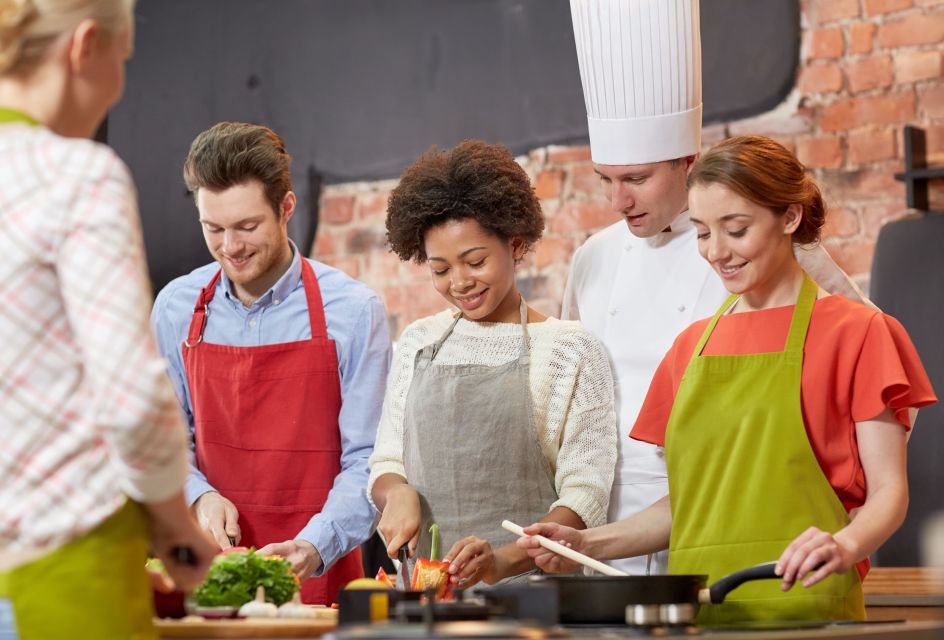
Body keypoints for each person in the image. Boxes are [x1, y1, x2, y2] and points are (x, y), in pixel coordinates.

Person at [519, 135, 937, 623]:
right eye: (701, 233)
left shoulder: (859, 333)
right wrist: (587, 543)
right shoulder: (690, 347)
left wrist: (844, 545)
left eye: (735, 229)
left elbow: (890, 492)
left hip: (807, 603)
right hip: (701, 610)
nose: (717, 252)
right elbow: (689, 505)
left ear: (790, 217)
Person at [562, 0, 869, 575]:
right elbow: (580, 399)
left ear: (687, 161)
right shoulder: (593, 258)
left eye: (636, 179)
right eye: (605, 179)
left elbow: (864, 374)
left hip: (742, 519)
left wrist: (835, 507)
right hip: (612, 528)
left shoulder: (765, 249)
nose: (617, 201)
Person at [0, 1, 216, 637]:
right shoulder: (75, 175)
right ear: (84, 46)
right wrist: (177, 527)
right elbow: (129, 396)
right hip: (64, 559)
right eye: (122, 61)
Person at [151, 122, 392, 604]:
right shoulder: (177, 309)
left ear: (286, 208)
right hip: (208, 578)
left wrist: (314, 544)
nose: (230, 248)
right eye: (213, 228)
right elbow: (164, 442)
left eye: (246, 227)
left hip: (319, 571)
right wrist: (199, 495)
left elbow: (368, 458)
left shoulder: (354, 311)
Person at [368, 140, 617, 587]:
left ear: (516, 245)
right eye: (440, 269)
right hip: (426, 599)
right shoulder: (419, 342)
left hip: (534, 598)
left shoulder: (569, 350)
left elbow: (585, 497)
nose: (460, 282)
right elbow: (387, 460)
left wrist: (502, 561)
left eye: (475, 261)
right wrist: (395, 492)